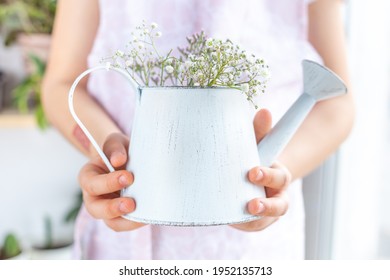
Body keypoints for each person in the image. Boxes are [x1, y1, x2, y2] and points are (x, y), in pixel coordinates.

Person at [42, 0, 354, 259]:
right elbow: (62, 84)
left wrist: (272, 172)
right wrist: (109, 151)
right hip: (122, 235)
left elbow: (337, 102)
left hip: (252, 247)